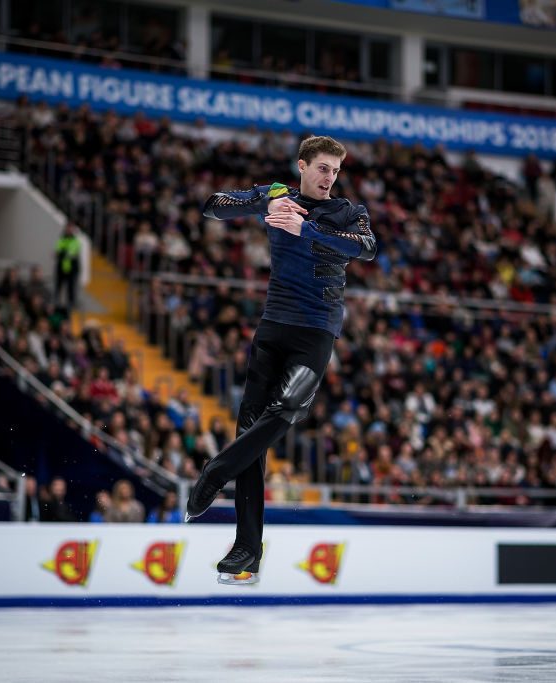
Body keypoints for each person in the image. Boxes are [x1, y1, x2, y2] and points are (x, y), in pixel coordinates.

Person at [186, 135, 376, 584]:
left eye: (336, 170)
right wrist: (263, 205)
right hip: (273, 328)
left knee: (288, 408)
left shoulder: (349, 213)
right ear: (302, 167)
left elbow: (365, 248)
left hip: (316, 331)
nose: (330, 177)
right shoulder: (278, 196)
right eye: (323, 168)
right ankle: (247, 549)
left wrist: (304, 229)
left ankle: (216, 470)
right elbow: (213, 205)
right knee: (251, 430)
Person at [54, 222, 81, 310]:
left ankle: (71, 305)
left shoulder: (75, 240)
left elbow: (72, 253)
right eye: (68, 228)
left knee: (71, 288)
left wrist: (63, 252)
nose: (69, 230)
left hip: (72, 268)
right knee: (58, 287)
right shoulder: (61, 239)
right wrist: (64, 253)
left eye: (71, 228)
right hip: (61, 268)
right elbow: (58, 252)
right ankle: (57, 304)